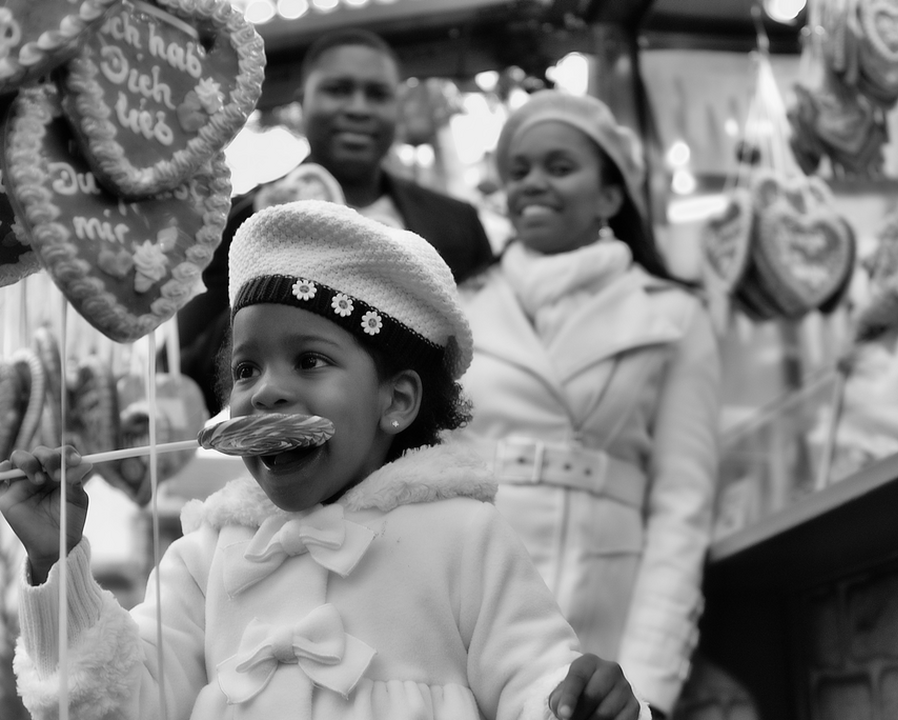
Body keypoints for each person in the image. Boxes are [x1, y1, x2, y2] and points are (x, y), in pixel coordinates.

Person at [0, 201, 649, 720]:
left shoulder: (463, 538)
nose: (266, 391)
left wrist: (577, 702)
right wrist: (54, 557)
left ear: (395, 401)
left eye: (308, 361)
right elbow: (115, 703)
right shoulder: (206, 557)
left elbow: (533, 680)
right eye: (247, 369)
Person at [452, 91, 722, 719]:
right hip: (469, 610)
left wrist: (651, 678)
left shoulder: (674, 313)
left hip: (606, 626)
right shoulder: (456, 309)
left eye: (559, 167)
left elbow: (682, 505)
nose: (532, 184)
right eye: (518, 171)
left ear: (610, 196)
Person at [178, 28, 494, 416]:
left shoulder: (455, 222)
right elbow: (189, 369)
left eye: (377, 94)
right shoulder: (241, 221)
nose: (358, 107)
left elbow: (489, 351)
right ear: (301, 103)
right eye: (338, 90)